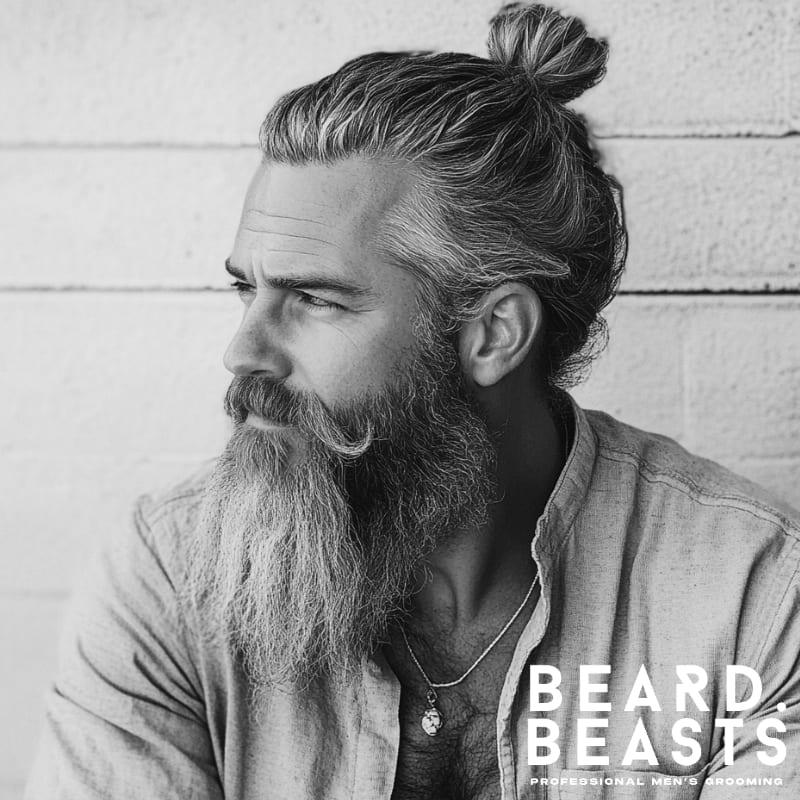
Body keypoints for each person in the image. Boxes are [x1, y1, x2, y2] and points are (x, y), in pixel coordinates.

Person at [25, 3, 800, 798]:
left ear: (494, 333)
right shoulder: (171, 578)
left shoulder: (751, 600)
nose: (243, 352)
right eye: (246, 290)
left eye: (315, 300)